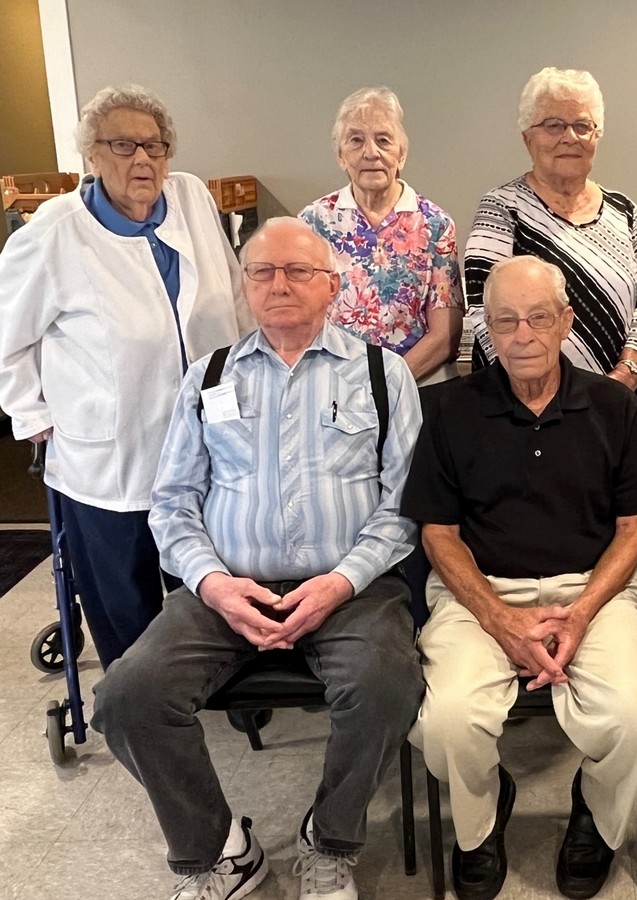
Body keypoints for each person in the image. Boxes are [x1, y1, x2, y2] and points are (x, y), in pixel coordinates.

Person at [91, 218, 424, 900]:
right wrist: (214, 585)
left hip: (351, 587)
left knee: (387, 689)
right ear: (244, 287)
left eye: (298, 271)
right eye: (262, 272)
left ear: (332, 286)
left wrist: (338, 582)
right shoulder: (206, 377)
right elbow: (173, 503)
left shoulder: (381, 376)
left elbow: (404, 507)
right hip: (224, 589)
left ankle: (329, 840)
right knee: (127, 697)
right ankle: (220, 849)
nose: (278, 285)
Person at [402, 255, 637, 900]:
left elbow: (635, 529)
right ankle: (480, 821)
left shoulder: (614, 406)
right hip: (481, 594)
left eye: (538, 318)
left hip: (594, 591)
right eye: (505, 321)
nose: (522, 335)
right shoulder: (447, 409)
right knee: (446, 723)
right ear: (485, 329)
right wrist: (502, 619)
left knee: (635, 717)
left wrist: (577, 616)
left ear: (565, 322)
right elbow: (438, 533)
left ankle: (596, 816)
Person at [0, 84, 253, 668]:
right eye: (123, 145)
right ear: (92, 154)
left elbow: (236, 300)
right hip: (108, 457)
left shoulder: (189, 197)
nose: (143, 159)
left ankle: (214, 679)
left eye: (155, 146)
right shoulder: (55, 230)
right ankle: (138, 698)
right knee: (125, 593)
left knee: (207, 576)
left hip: (208, 439)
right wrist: (31, 414)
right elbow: (10, 334)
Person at [464, 66, 637, 385]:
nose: (569, 137)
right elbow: (482, 306)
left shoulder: (623, 210)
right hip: (517, 399)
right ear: (528, 138)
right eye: (553, 125)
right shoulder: (502, 207)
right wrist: (530, 386)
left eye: (582, 125)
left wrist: (627, 371)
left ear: (596, 136)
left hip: (609, 396)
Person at [300, 86, 465, 385]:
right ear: (341, 156)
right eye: (356, 140)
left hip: (417, 384)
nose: (371, 152)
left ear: (401, 154)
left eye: (384, 140)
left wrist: (385, 384)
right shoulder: (313, 222)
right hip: (332, 386)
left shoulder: (435, 224)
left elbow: (446, 335)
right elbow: (300, 316)